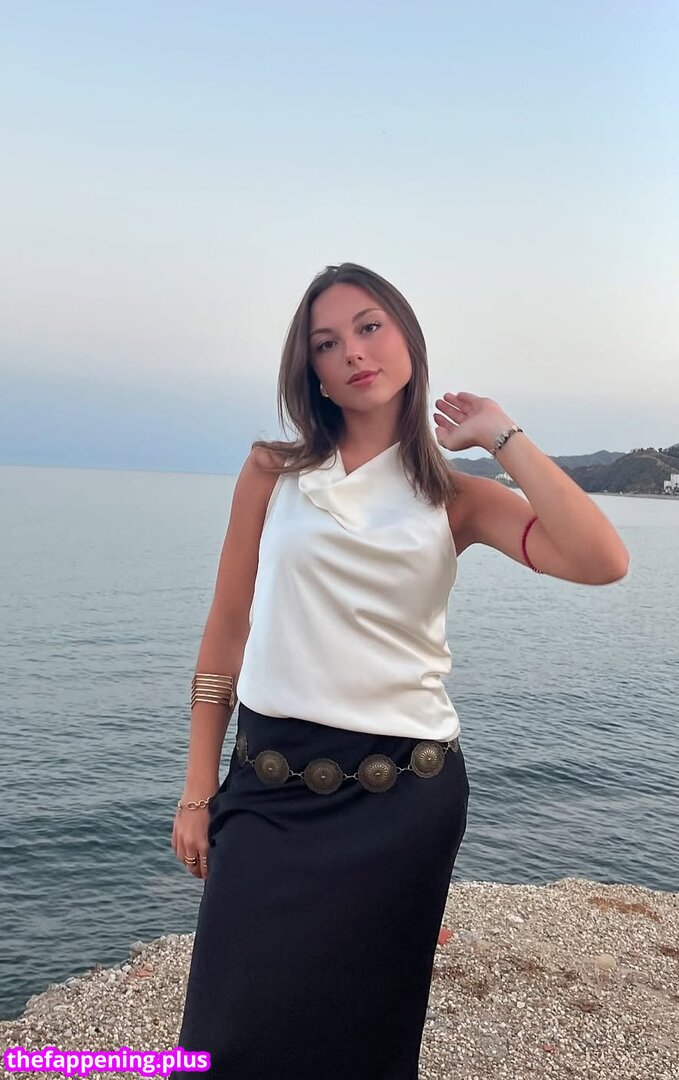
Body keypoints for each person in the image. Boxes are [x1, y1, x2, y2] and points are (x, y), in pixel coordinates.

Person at [169, 262, 629, 1080]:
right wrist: (197, 790)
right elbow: (227, 627)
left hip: (401, 800)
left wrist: (501, 436)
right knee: (222, 1040)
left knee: (362, 1042)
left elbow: (602, 561)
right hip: (268, 789)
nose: (352, 351)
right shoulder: (272, 471)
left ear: (407, 339)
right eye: (326, 343)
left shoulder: (456, 498)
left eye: (369, 326)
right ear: (311, 371)